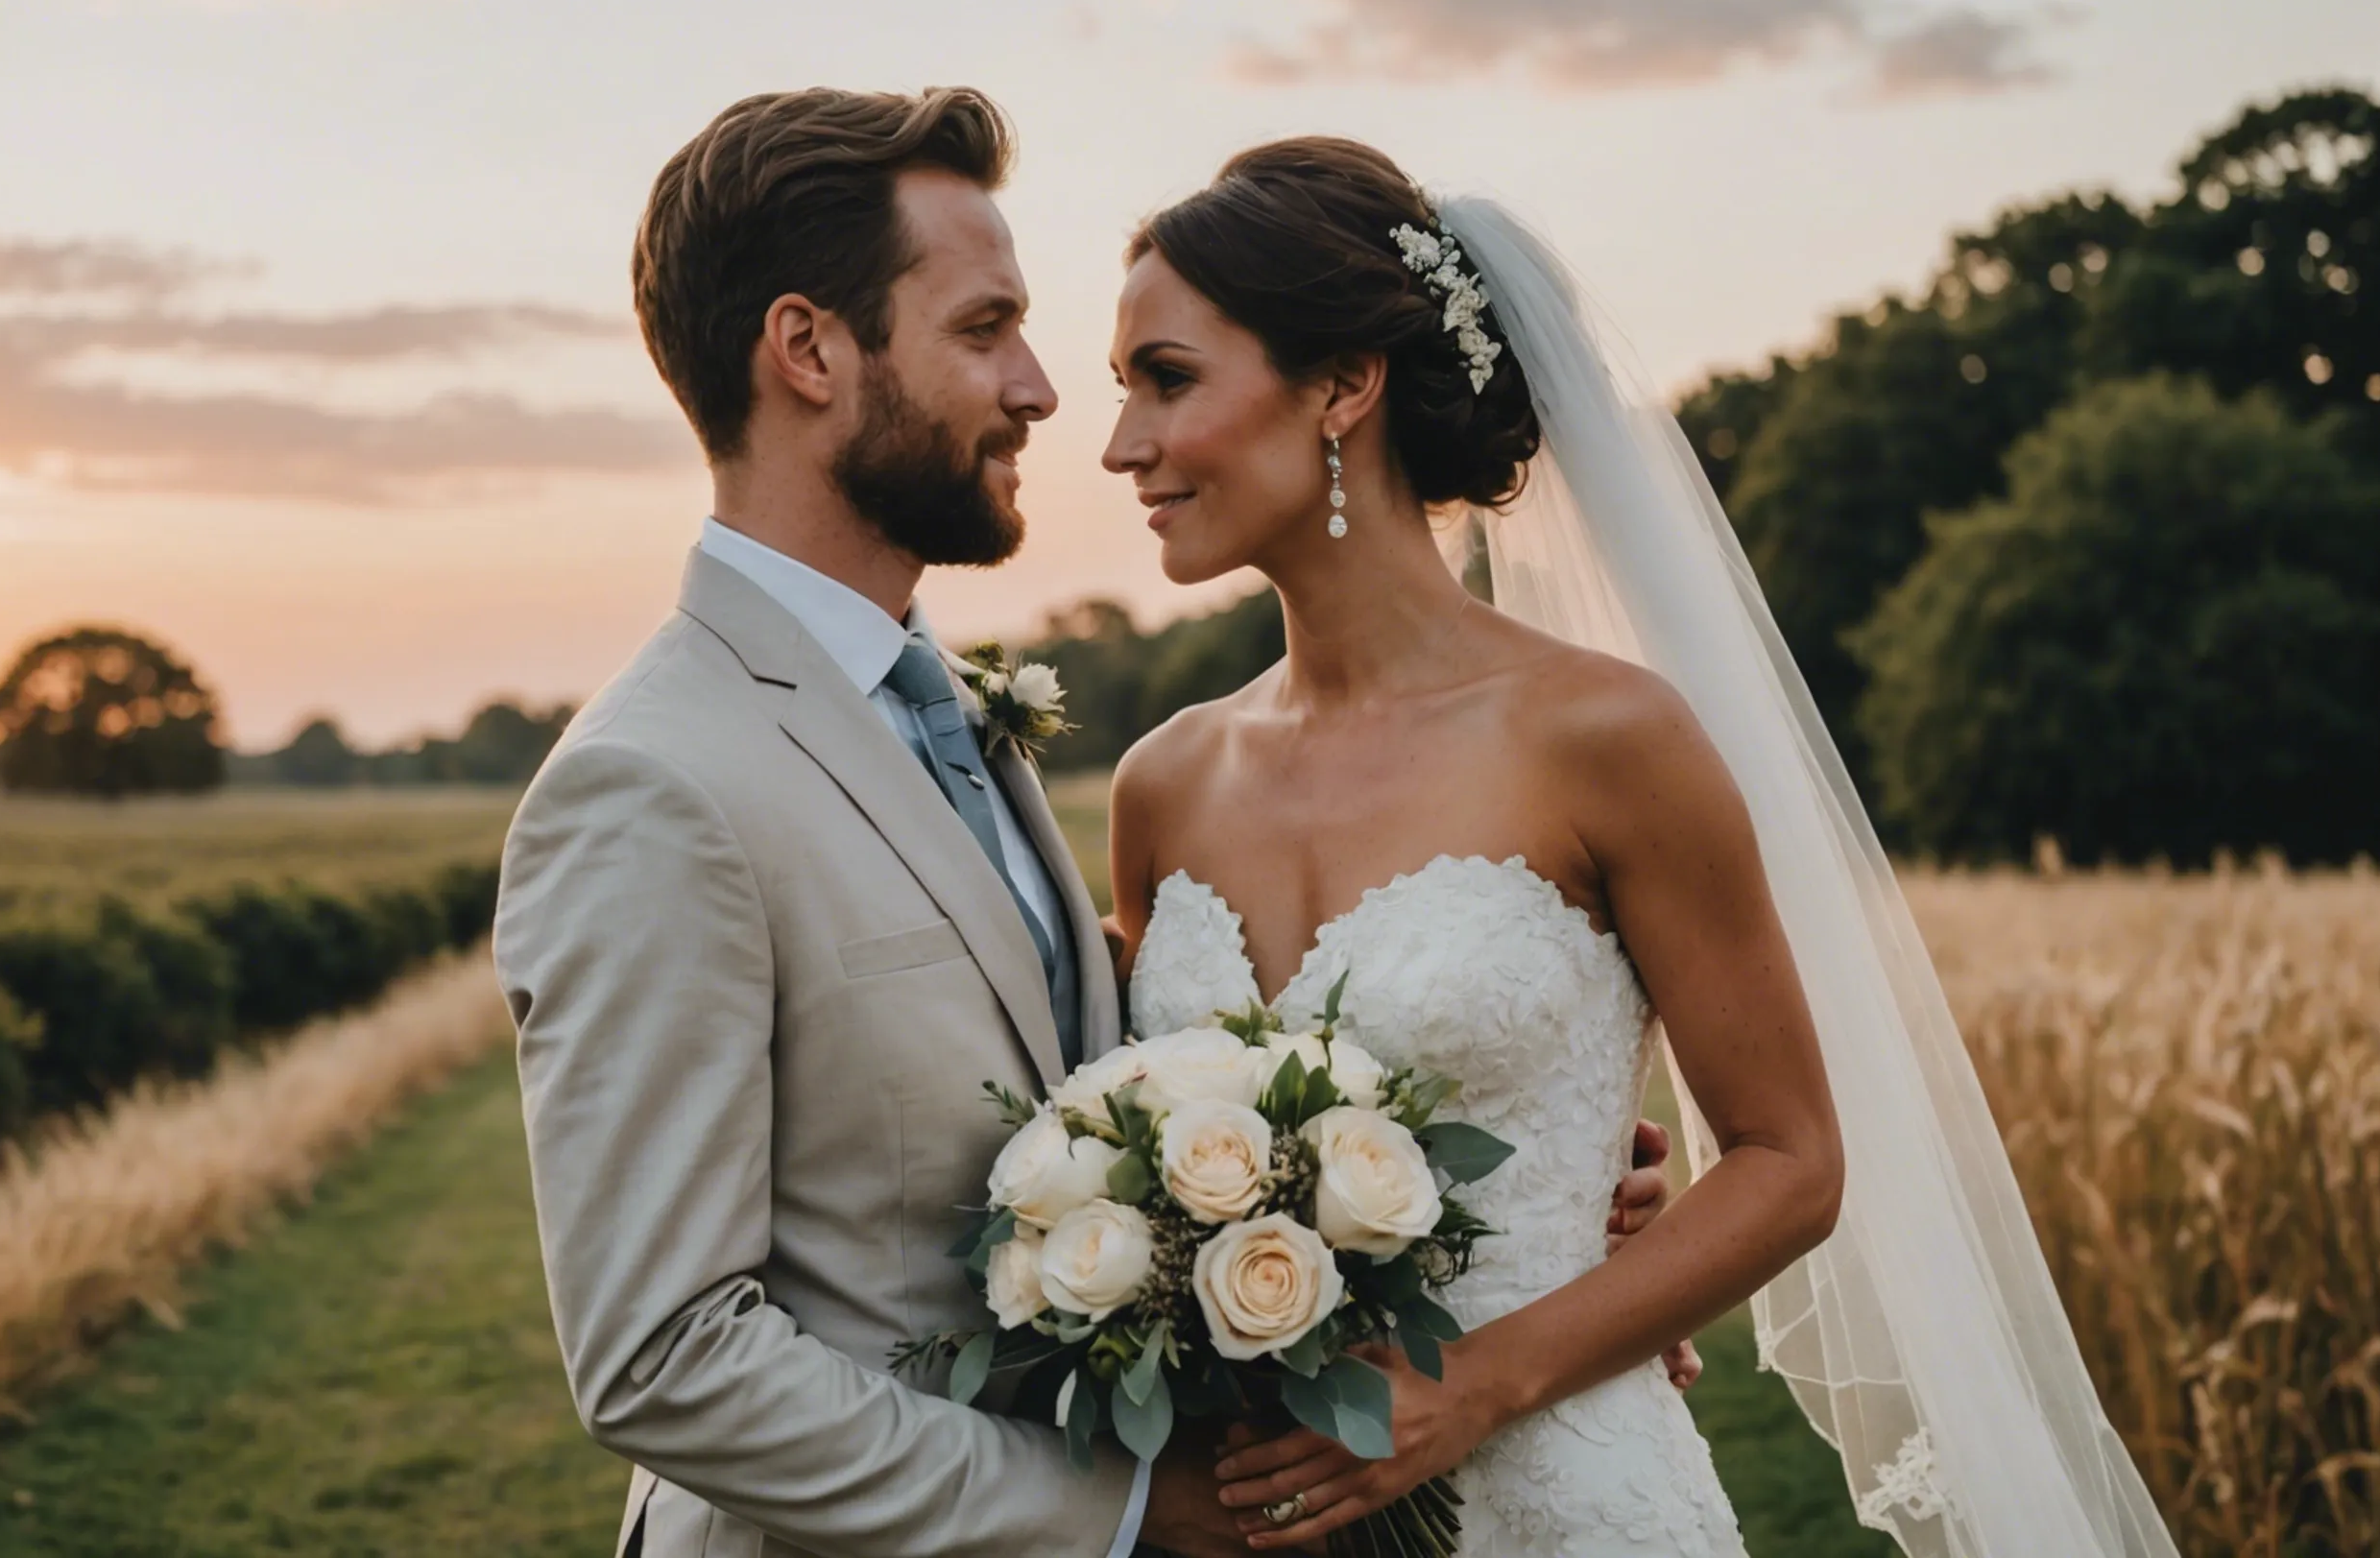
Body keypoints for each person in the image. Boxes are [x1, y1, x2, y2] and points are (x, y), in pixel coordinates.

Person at [492, 90, 1680, 1558]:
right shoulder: (651, 786)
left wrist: (1481, 1215)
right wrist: (1119, 1509)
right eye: (986, 328)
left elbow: (1115, 1089)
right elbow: (663, 1356)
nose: (1047, 393)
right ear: (809, 349)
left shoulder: (945, 711)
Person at [1103, 137, 2178, 1558]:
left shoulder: (1605, 735)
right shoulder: (1161, 781)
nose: (1122, 443)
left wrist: (1473, 1376)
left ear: (1343, 385)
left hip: (1568, 1495)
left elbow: (1792, 1157)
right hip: (1258, 1515)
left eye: (1165, 378)